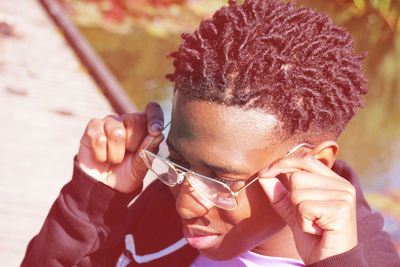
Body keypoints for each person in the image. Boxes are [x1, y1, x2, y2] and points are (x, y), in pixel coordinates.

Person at [22, 0, 400, 266]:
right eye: (177, 161)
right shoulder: (163, 205)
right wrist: (93, 201)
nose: (186, 204)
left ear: (312, 163)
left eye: (222, 181)